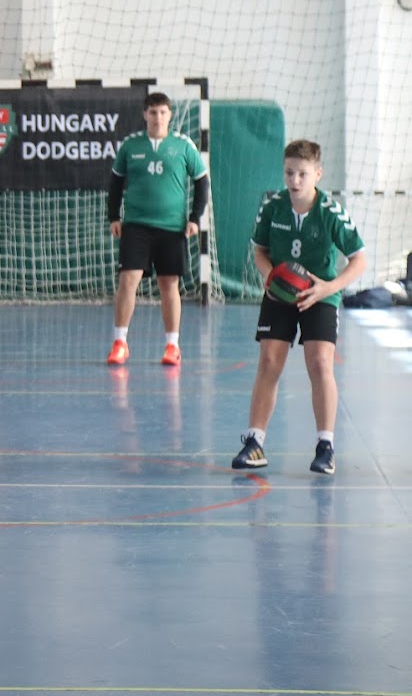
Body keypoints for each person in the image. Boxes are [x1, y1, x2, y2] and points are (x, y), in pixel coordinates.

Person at [231, 140, 366, 476]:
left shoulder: (331, 212)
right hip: (280, 293)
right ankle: (254, 442)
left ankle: (325, 446)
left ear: (317, 174)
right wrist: (270, 277)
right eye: (289, 172)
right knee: (269, 361)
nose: (294, 180)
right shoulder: (273, 206)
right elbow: (259, 251)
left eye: (302, 174)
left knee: (320, 363)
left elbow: (359, 260)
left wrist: (328, 288)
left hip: (320, 295)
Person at [106, 92, 209, 367]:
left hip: (172, 228)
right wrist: (113, 216)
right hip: (136, 226)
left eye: (163, 112)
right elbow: (115, 183)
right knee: (128, 279)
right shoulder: (130, 146)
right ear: (145, 114)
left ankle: (172, 346)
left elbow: (202, 182)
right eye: (153, 112)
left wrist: (195, 218)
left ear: (170, 115)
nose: (158, 117)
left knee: (169, 284)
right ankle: (120, 342)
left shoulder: (183, 145)